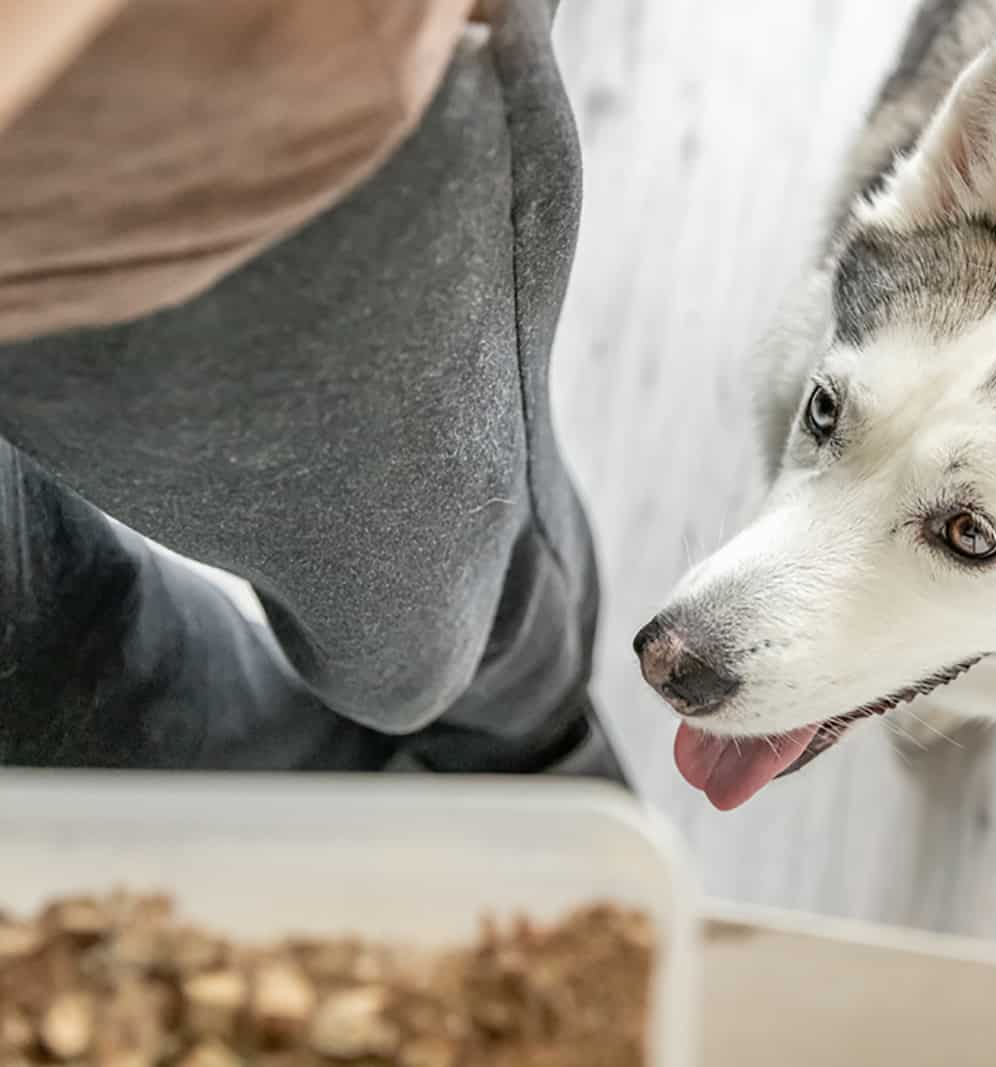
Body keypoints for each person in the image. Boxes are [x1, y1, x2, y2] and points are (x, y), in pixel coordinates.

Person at [0, 0, 627, 780]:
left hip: (237, 124)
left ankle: (528, 766)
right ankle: (334, 815)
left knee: (441, 634)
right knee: (66, 694)